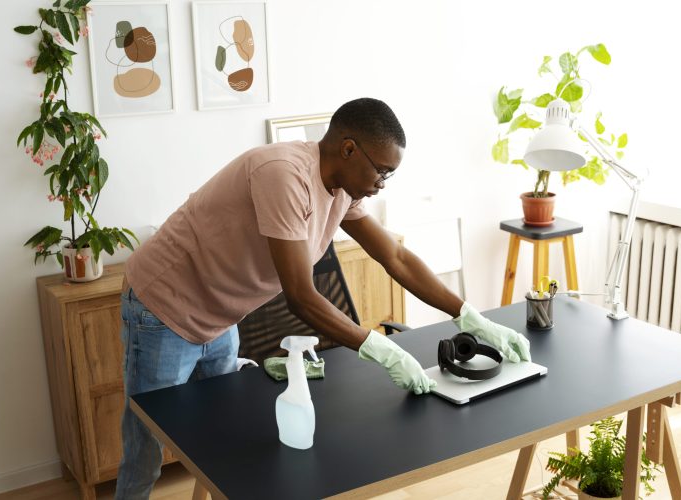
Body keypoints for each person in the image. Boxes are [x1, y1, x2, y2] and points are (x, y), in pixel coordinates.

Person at [115, 97, 530, 499]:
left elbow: (396, 258)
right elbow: (300, 296)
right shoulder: (284, 176)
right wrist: (381, 349)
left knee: (227, 437)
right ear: (349, 149)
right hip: (162, 308)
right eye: (381, 172)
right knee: (147, 448)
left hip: (221, 314)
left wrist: (468, 315)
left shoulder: (342, 188)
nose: (381, 185)